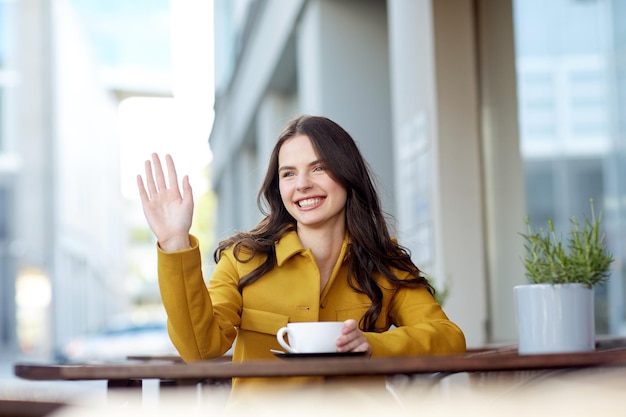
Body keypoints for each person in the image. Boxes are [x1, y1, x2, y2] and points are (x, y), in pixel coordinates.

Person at [137, 115, 466, 390]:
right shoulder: (243, 258)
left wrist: (372, 345)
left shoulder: (382, 261)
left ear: (348, 175)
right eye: (289, 173)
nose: (303, 184)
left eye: (319, 168)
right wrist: (175, 242)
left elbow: (449, 339)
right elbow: (199, 348)